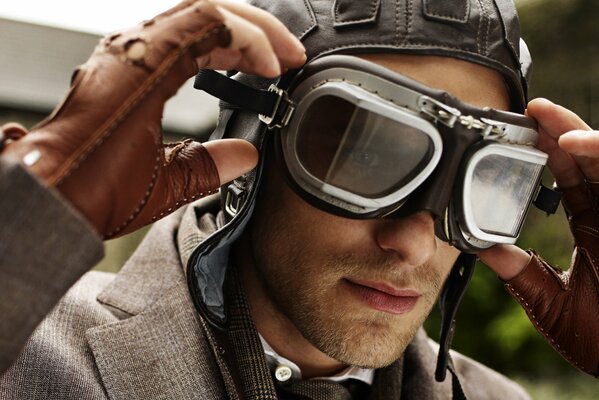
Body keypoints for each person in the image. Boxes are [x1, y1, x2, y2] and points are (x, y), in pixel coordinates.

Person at [0, 0, 596, 399]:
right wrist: (22, 230)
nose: (415, 244)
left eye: (482, 176)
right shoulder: (29, 352)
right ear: (251, 141)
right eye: (367, 158)